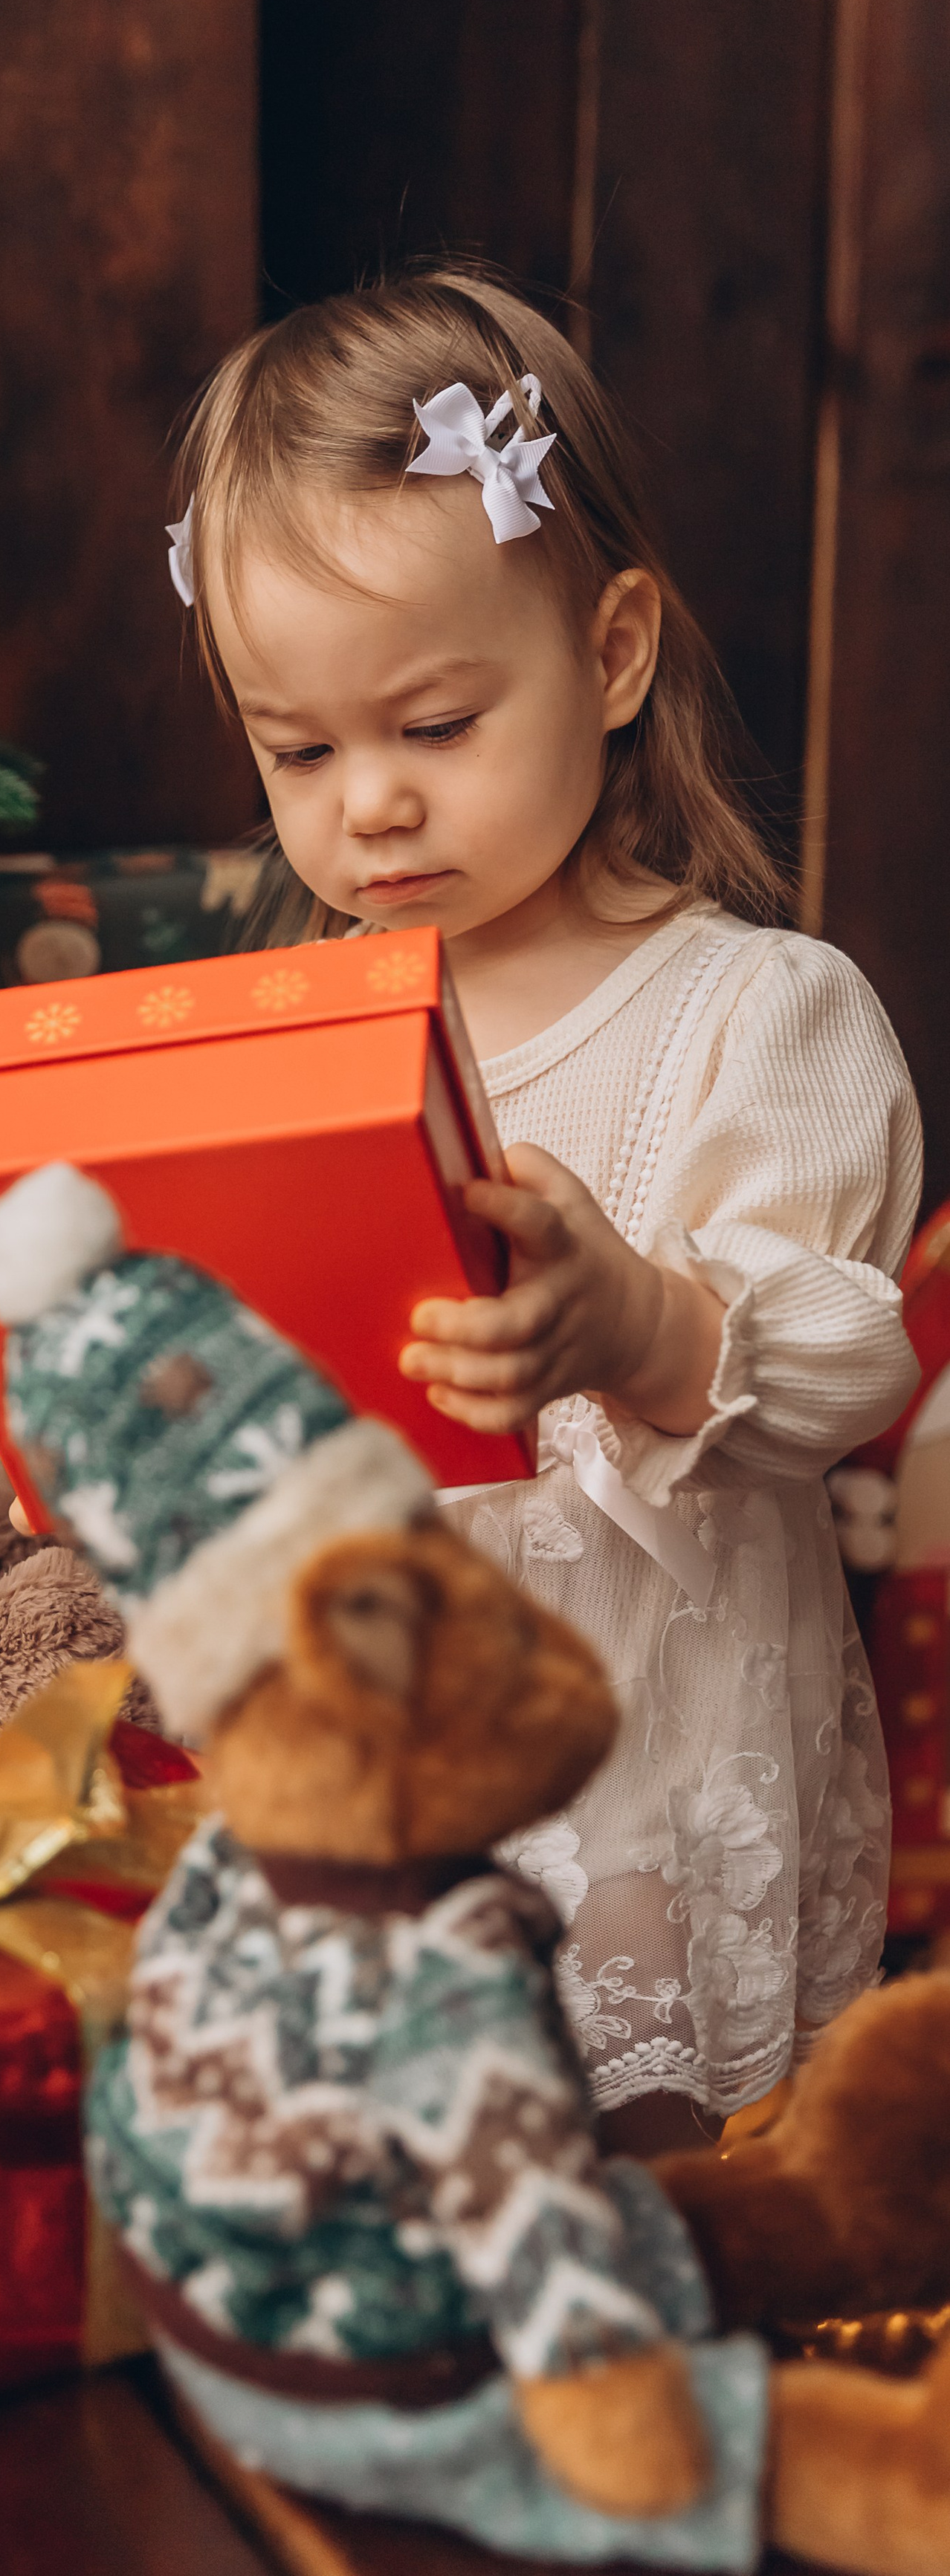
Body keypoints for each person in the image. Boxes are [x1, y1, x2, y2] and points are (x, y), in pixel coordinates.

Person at [166, 265, 921, 2157]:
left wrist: (641, 1325)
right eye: (299, 751)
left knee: (649, 2222)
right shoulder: (288, 1036)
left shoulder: (753, 1014)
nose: (366, 808)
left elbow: (848, 1357)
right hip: (372, 1783)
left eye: (432, 725)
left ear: (610, 656)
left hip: (638, 1788)